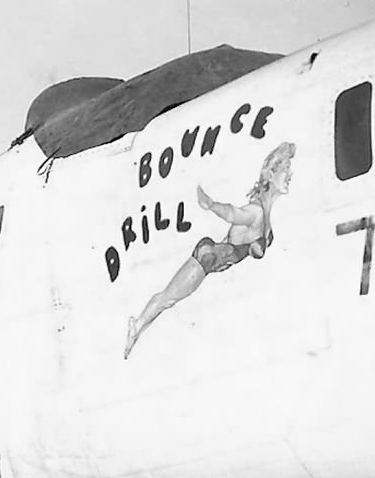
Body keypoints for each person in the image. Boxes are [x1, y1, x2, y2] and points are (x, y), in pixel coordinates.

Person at [124, 141, 296, 358]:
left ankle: (138, 329)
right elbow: (233, 214)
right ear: (271, 175)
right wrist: (212, 205)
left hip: (218, 258)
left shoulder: (266, 215)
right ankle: (136, 326)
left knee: (167, 302)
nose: (290, 174)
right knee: (167, 298)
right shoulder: (256, 212)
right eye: (286, 169)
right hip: (209, 258)